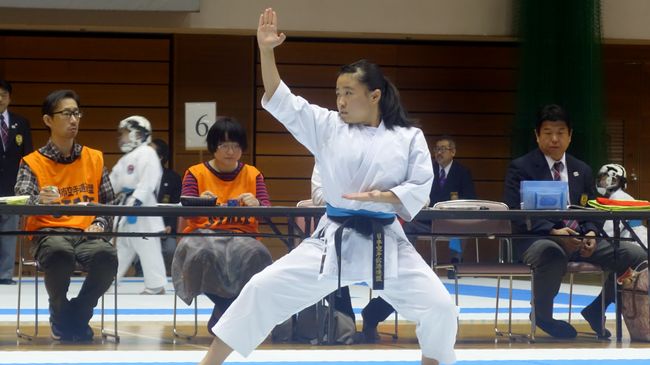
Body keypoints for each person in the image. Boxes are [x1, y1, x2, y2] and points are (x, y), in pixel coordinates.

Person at [198, 9, 457, 365]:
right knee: (261, 288)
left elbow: (421, 184)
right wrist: (266, 51)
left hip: (386, 242)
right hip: (333, 240)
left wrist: (386, 197)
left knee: (440, 306)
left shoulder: (408, 136)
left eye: (349, 93)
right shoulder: (327, 126)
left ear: (375, 95)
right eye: (338, 93)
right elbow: (281, 99)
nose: (340, 101)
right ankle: (209, 362)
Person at [503, 104, 646, 339]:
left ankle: (597, 309)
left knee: (636, 255)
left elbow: (592, 209)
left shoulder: (582, 169)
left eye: (560, 132)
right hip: (538, 239)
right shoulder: (521, 167)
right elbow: (514, 212)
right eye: (548, 132)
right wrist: (553, 231)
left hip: (580, 239)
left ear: (570, 135)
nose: (554, 139)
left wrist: (590, 233)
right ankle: (543, 317)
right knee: (550, 252)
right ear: (537, 135)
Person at [14, 89, 117, 342]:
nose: (74, 119)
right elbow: (21, 199)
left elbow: (109, 203)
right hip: (49, 234)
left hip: (87, 235)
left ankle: (76, 314)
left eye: (77, 113)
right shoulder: (32, 162)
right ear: (48, 120)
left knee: (107, 255)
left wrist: (100, 222)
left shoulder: (94, 158)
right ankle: (60, 310)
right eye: (66, 113)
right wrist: (38, 200)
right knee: (60, 253)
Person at [172, 116, 273, 336]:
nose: (231, 151)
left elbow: (267, 212)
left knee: (258, 254)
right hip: (202, 235)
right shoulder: (195, 173)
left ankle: (222, 315)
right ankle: (228, 312)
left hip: (243, 237)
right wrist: (199, 201)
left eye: (236, 145)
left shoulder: (253, 174)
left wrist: (258, 205)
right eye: (224, 145)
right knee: (203, 254)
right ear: (213, 147)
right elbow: (183, 209)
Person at [110, 116, 168, 295]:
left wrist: (136, 202)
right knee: (122, 245)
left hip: (142, 207)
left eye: (126, 133)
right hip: (127, 205)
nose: (122, 137)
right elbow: (113, 182)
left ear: (137, 134)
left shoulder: (147, 153)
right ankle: (107, 280)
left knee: (147, 245)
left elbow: (148, 181)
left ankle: (155, 285)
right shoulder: (127, 158)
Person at [0, 80, 33, 285]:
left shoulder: (21, 123)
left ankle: (4, 275)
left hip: (12, 188)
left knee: (9, 232)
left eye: (3, 94)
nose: (0, 98)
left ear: (9, 98)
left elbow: (28, 157)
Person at [596, 163, 648, 248]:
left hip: (636, 242)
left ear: (613, 180)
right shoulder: (619, 196)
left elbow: (608, 232)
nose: (600, 182)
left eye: (603, 178)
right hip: (635, 238)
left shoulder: (618, 198)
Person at [151, 138, 182, 272]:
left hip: (166, 227)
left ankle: (169, 278)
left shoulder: (172, 177)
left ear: (160, 157)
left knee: (170, 250)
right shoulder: (139, 177)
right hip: (144, 227)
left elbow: (177, 204)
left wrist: (170, 225)